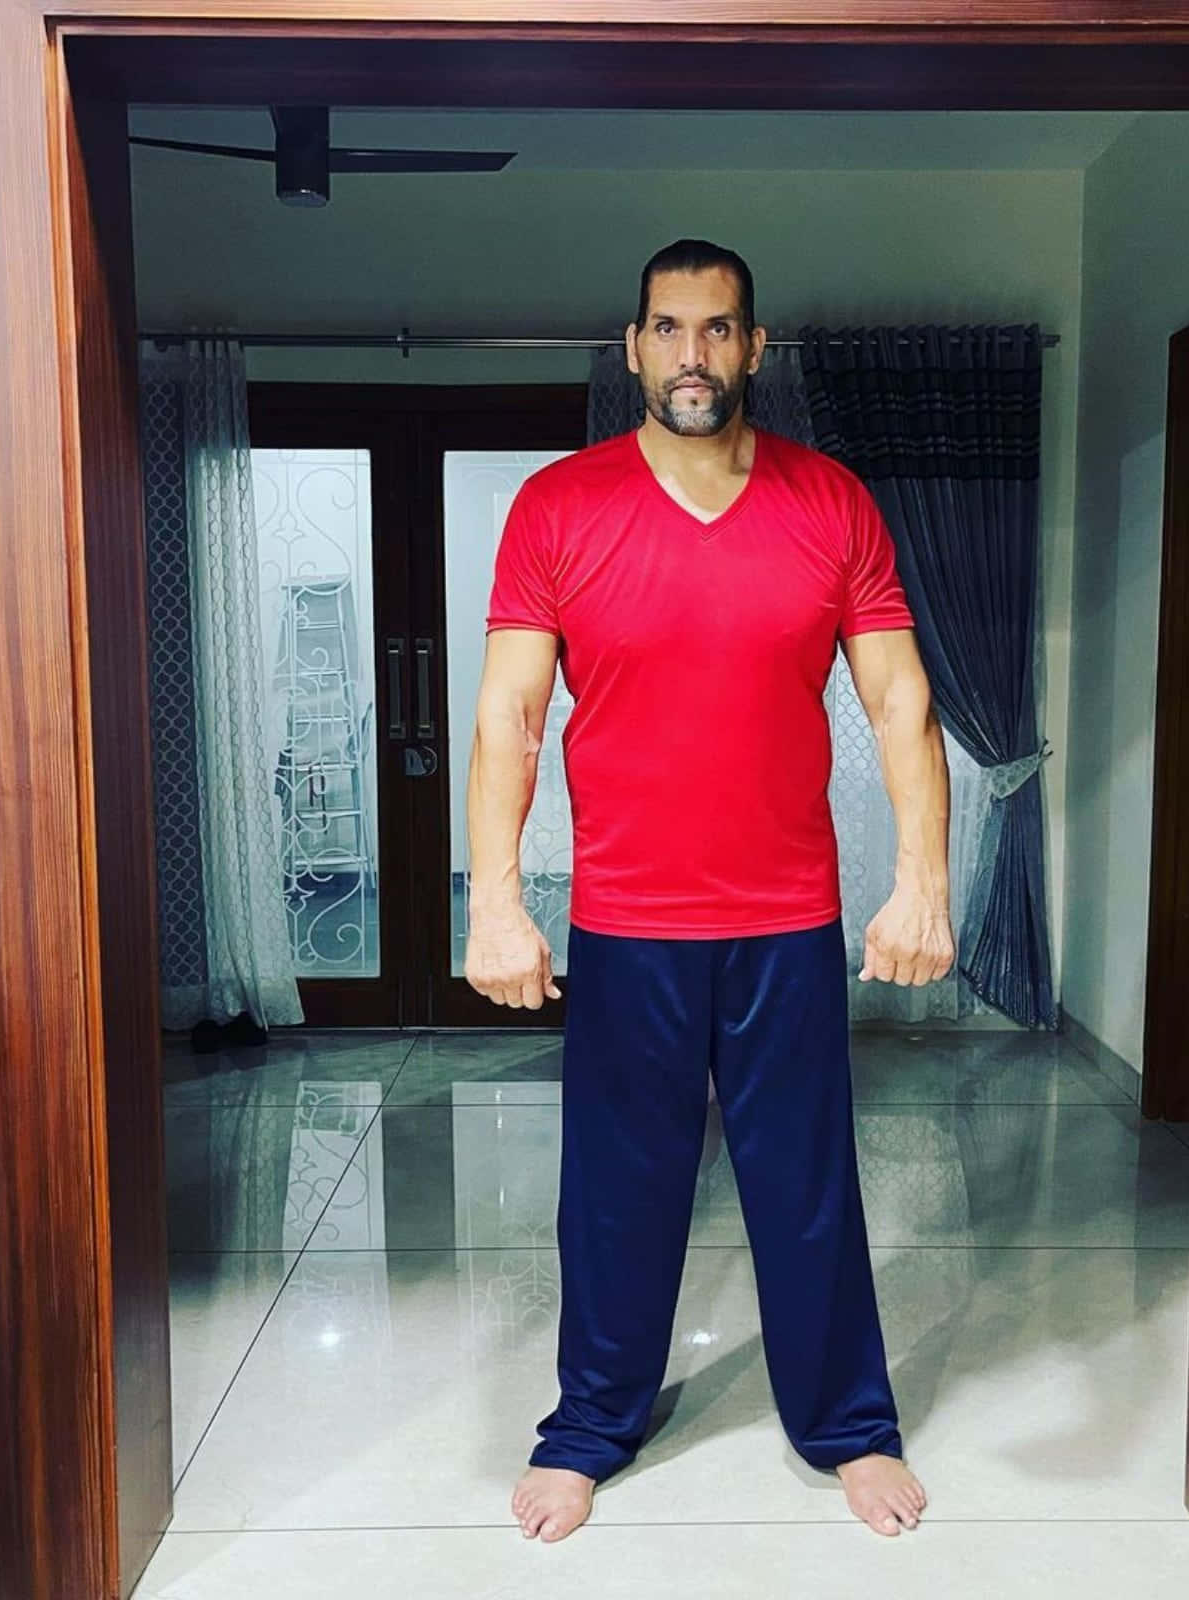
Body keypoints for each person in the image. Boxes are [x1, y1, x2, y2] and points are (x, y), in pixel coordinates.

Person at [465, 239, 955, 1545]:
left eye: (719, 328)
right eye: (670, 328)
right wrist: (496, 903)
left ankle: (847, 1426)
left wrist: (922, 882)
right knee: (617, 1190)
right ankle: (590, 1428)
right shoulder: (559, 507)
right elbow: (510, 714)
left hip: (787, 916)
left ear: (755, 346)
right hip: (629, 920)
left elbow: (899, 699)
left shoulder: (830, 502)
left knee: (806, 1184)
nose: (694, 354)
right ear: (633, 347)